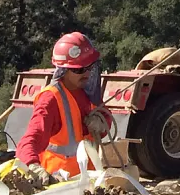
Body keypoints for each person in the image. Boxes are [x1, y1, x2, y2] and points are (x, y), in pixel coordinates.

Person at [15, 32, 112, 185]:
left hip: (88, 182)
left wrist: (101, 123)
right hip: (60, 185)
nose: (86, 73)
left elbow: (106, 118)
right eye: (79, 70)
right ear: (63, 70)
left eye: (89, 67)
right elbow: (30, 139)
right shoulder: (51, 100)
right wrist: (32, 166)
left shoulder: (89, 92)